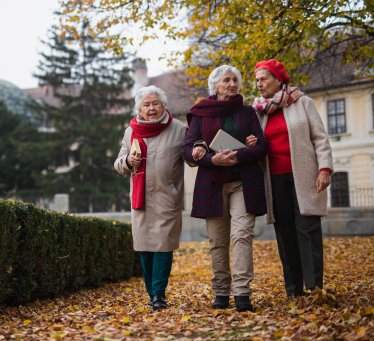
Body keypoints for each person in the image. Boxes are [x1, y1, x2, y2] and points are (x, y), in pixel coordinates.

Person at [182, 65, 268, 312]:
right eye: (226, 80)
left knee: (242, 236)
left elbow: (261, 146)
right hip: (212, 183)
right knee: (218, 241)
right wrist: (208, 157)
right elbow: (188, 149)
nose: (232, 84)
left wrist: (239, 155)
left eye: (235, 80)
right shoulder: (200, 113)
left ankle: (242, 294)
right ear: (215, 85)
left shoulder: (247, 112)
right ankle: (221, 292)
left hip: (243, 181)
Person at [252, 59, 333, 297]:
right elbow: (255, 144)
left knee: (307, 230)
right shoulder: (258, 111)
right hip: (274, 180)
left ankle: (314, 287)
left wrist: (325, 169)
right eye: (257, 80)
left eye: (264, 79)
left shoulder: (302, 102)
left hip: (305, 176)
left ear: (279, 80)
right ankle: (294, 290)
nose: (259, 84)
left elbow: (320, 138)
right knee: (285, 233)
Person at [114, 85, 188, 311]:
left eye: (155, 103)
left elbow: (193, 157)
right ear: (140, 109)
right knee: (145, 248)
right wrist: (127, 161)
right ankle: (152, 293)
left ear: (164, 105)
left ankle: (159, 294)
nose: (152, 108)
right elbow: (118, 163)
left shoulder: (179, 129)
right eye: (146, 104)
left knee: (163, 247)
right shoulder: (131, 131)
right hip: (141, 201)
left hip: (167, 198)